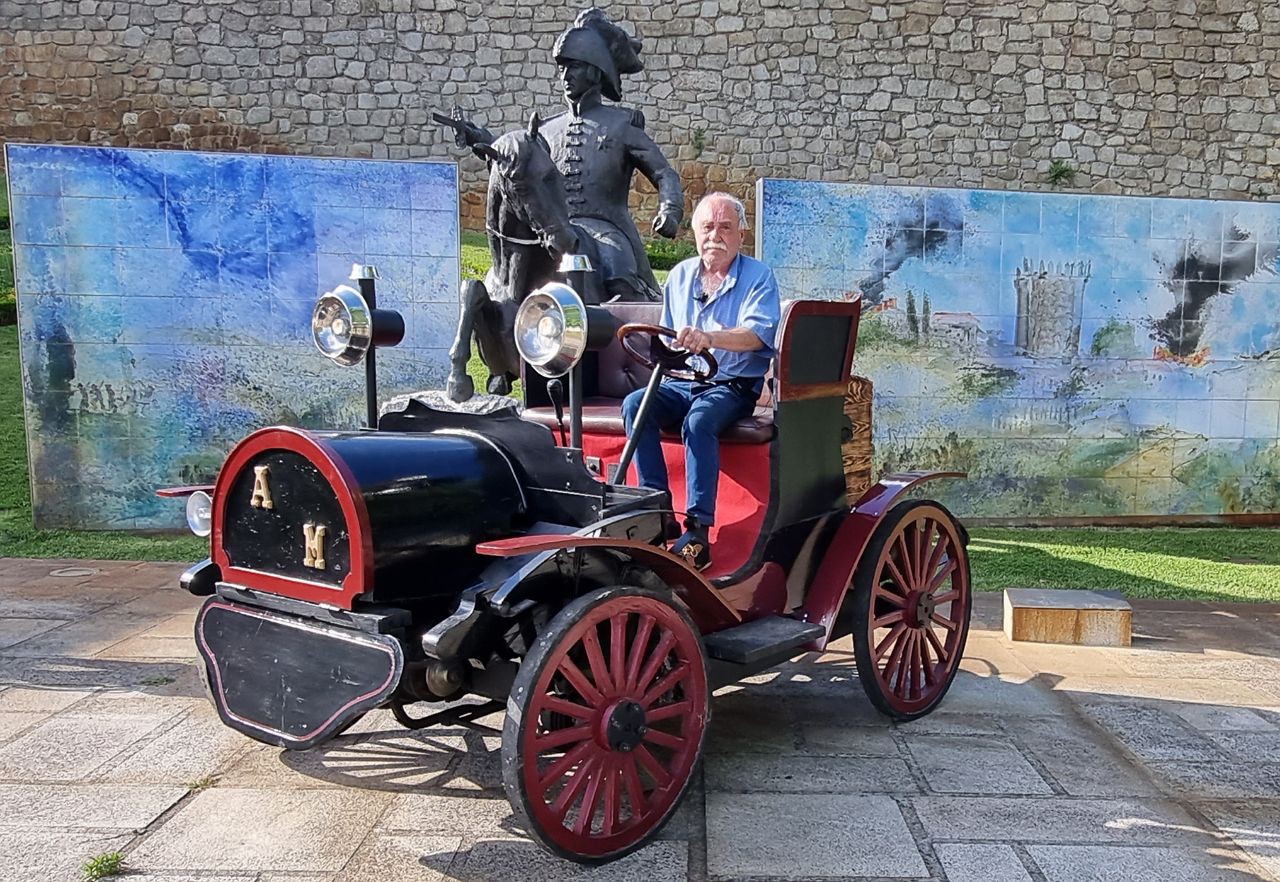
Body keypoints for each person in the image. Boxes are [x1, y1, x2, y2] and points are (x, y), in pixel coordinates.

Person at [449, 8, 683, 302]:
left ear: (595, 71)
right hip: (553, 227)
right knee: (510, 277)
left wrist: (669, 211)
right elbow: (516, 163)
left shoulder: (622, 124)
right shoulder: (546, 129)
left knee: (619, 273)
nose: (565, 75)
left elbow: (663, 173)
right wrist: (478, 138)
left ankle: (632, 337)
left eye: (574, 66)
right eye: (562, 69)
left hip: (605, 230)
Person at [621, 192, 781, 570]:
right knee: (635, 405)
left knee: (700, 420)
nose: (715, 236)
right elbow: (666, 337)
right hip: (683, 379)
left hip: (733, 385)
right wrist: (666, 345)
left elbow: (756, 337)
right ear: (695, 233)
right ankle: (657, 514)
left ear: (741, 234)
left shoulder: (758, 277)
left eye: (725, 227)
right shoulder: (679, 277)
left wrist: (710, 337)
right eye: (707, 227)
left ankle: (698, 531)